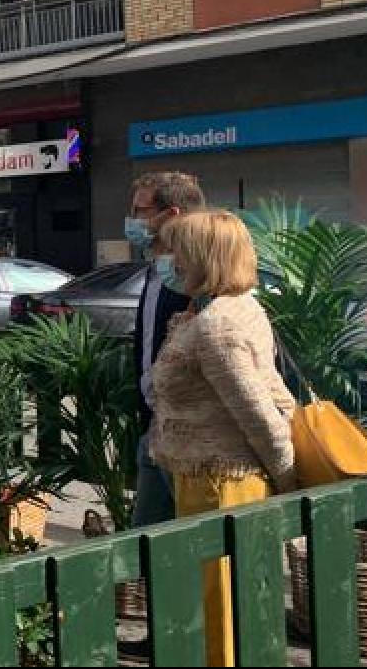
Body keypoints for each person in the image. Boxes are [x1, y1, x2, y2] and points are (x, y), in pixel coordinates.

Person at [151, 210, 296, 667]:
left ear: (204, 257)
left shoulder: (219, 326)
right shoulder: (231, 308)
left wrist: (291, 481)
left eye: (179, 251)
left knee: (221, 617)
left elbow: (259, 413)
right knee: (225, 609)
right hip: (210, 479)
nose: (170, 261)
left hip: (221, 486)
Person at [127, 172, 206, 528]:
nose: (132, 220)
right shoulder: (156, 269)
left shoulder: (200, 274)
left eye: (140, 211)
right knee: (146, 544)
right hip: (154, 427)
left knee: (192, 543)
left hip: (190, 436)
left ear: (171, 213)